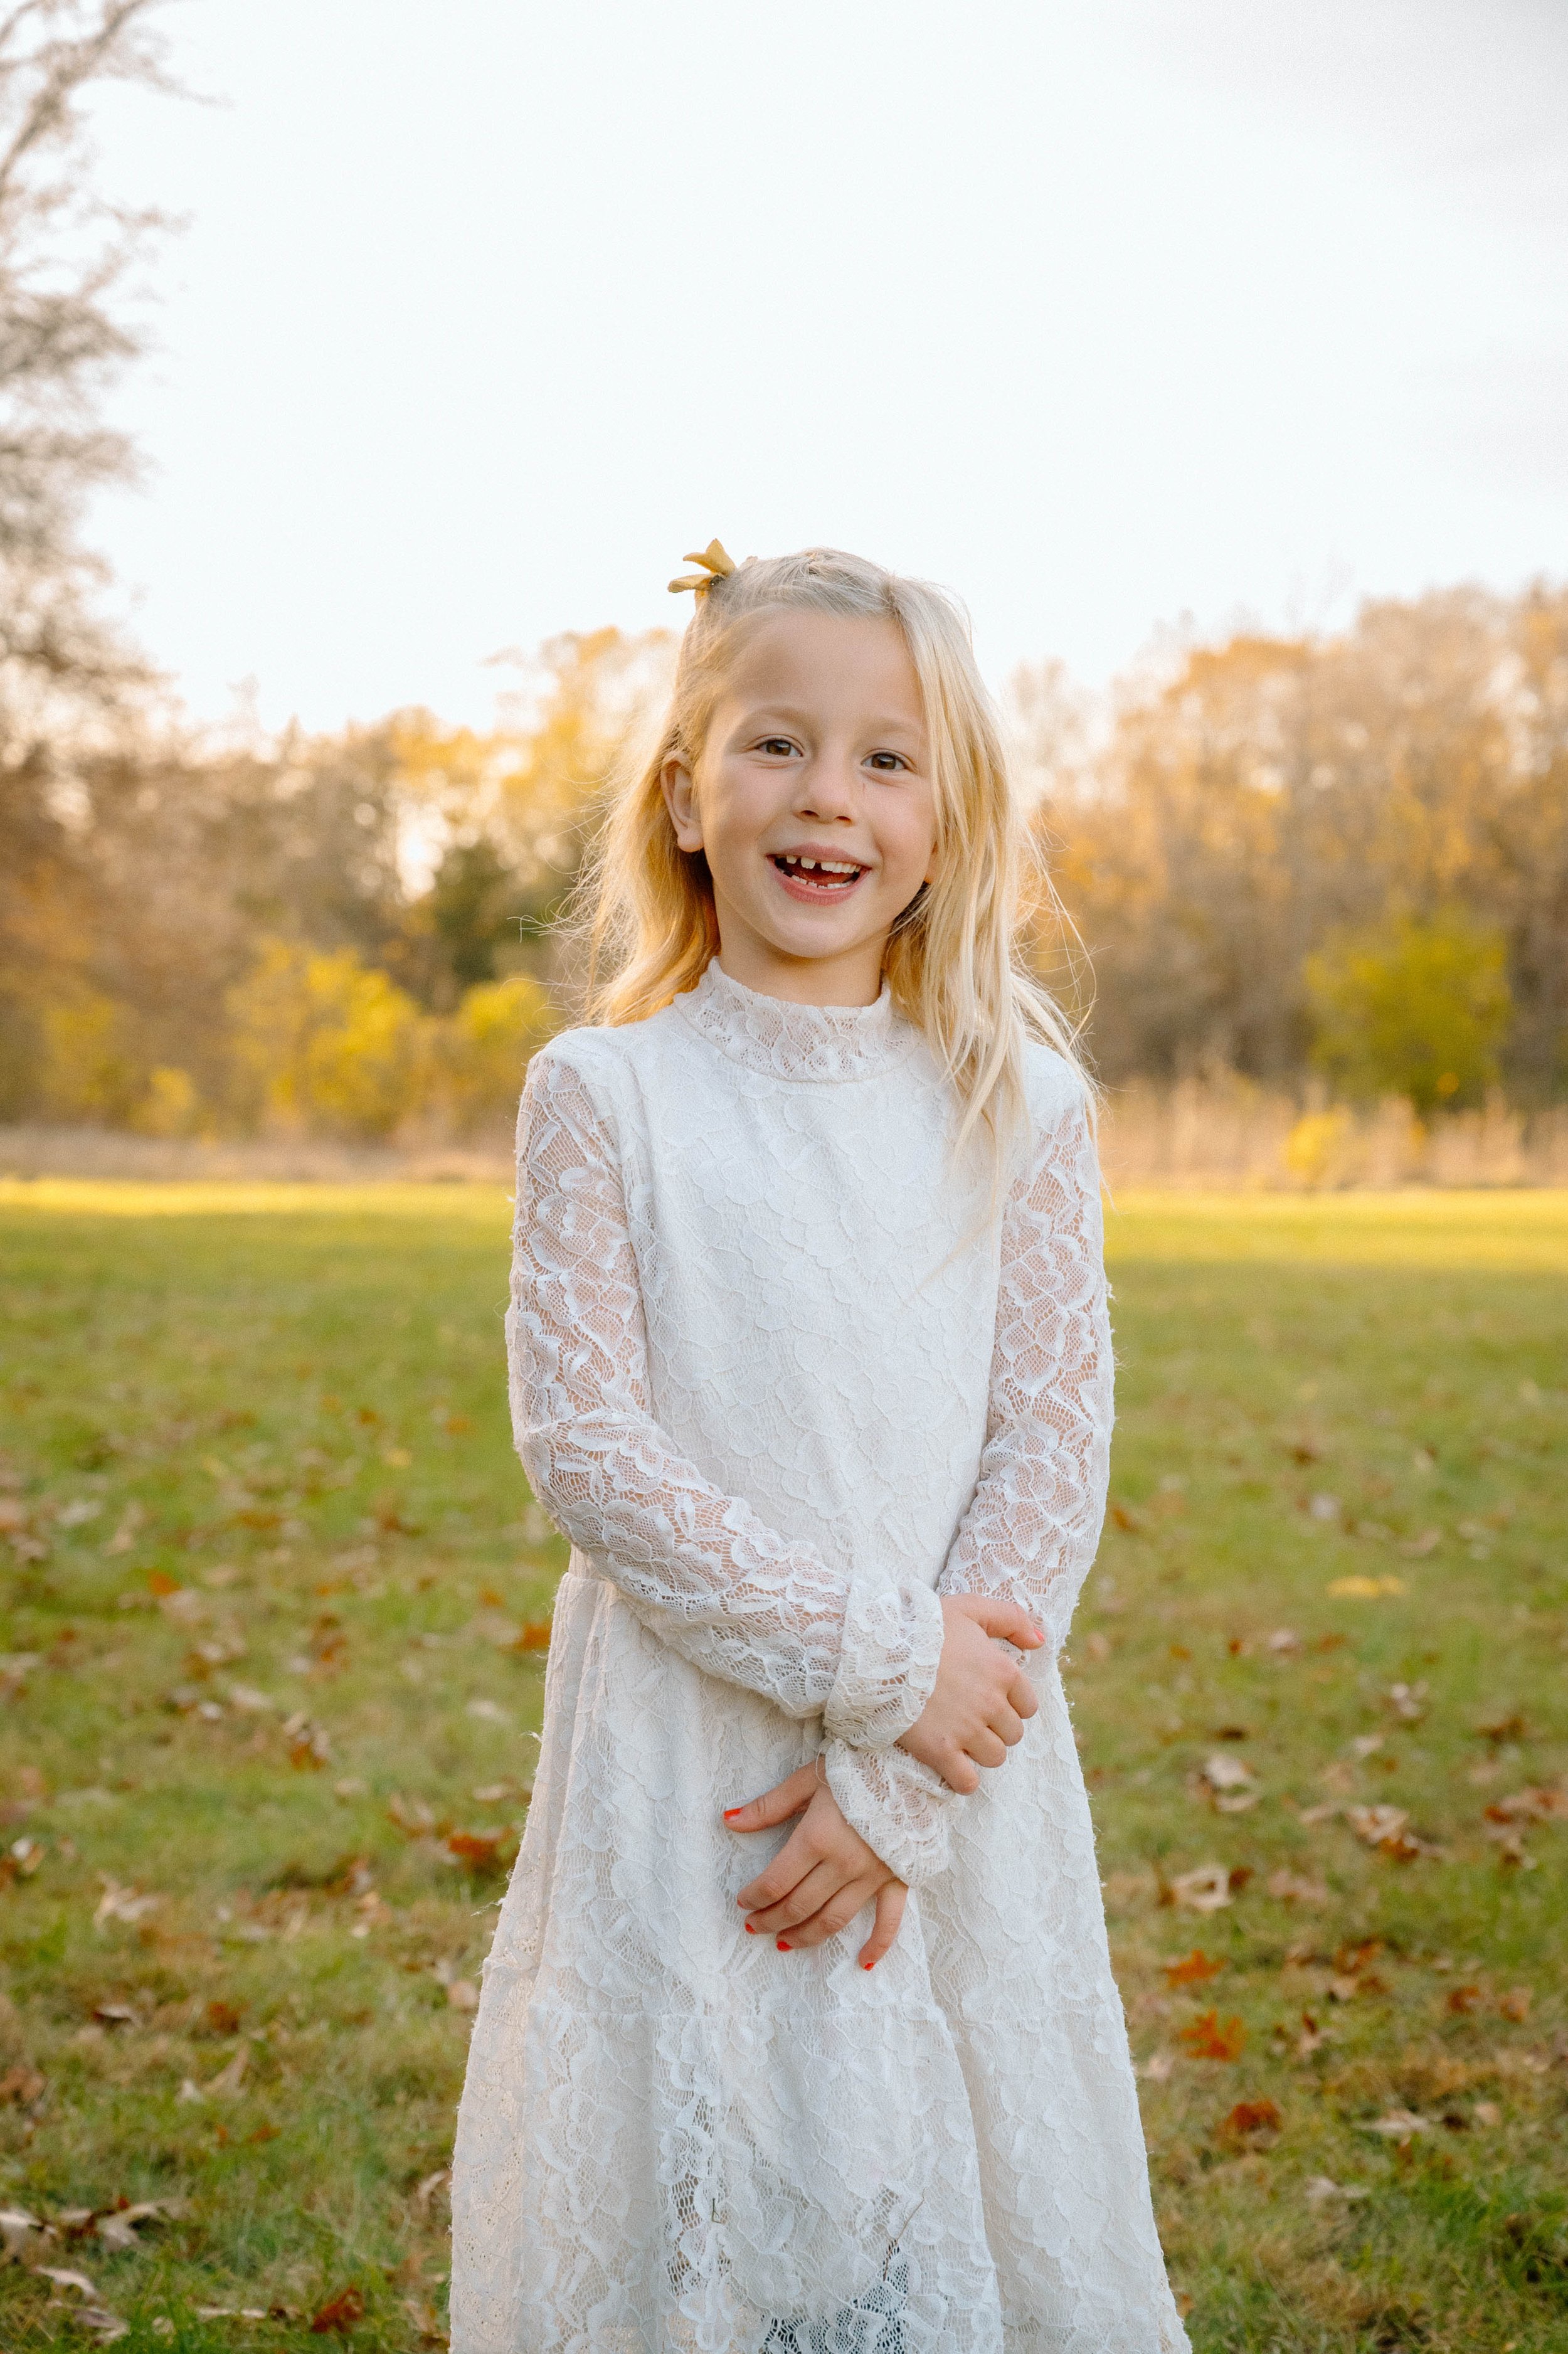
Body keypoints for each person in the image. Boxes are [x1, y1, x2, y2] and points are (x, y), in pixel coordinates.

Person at [449, 543, 1189, 2354]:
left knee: (919, 2195)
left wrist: (905, 1776)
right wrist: (880, 1661)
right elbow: (587, 1446)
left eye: (884, 757)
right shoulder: (607, 1095)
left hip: (950, 1770)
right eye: (776, 745)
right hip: (688, 1753)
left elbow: (1048, 1440)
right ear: (686, 791)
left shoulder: (1019, 1100)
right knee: (711, 2199)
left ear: (952, 815)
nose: (826, 799)